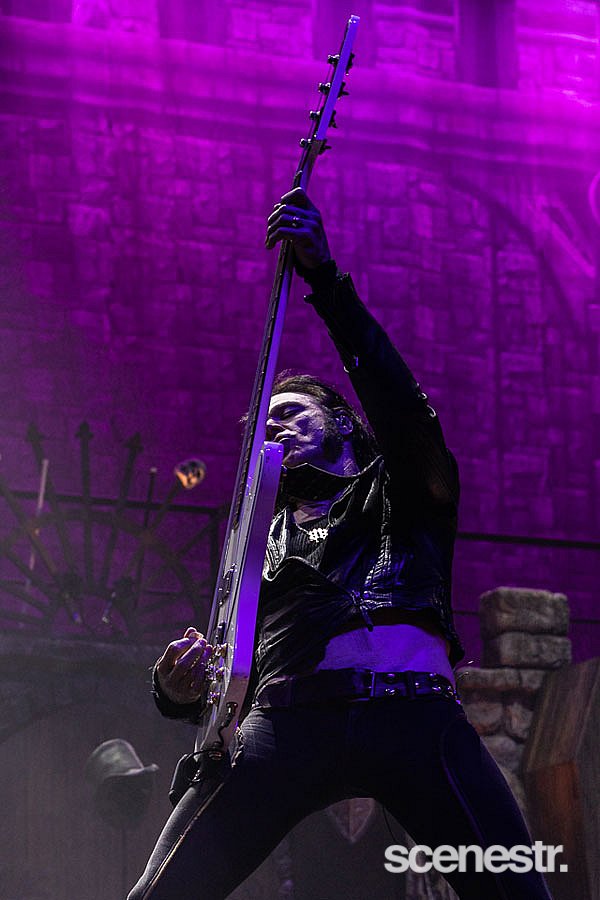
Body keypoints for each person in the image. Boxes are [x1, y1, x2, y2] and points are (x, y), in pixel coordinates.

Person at [128, 189, 552, 900]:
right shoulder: (254, 539)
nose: (274, 427)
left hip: (413, 714)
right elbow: (223, 673)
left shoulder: (404, 488)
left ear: (344, 424)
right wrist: (174, 690)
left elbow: (399, 402)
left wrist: (325, 280)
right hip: (284, 725)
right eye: (264, 424)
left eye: (292, 412)